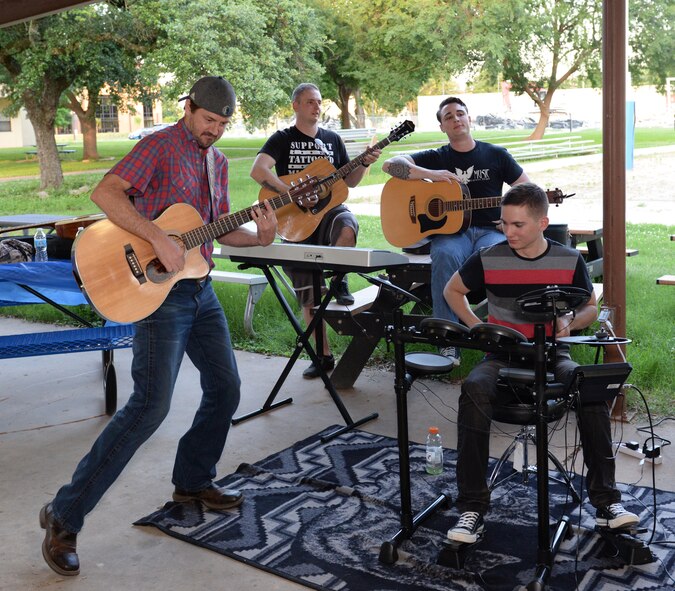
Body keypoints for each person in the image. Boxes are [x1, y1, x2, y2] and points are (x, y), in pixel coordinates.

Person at [39, 76, 277, 576]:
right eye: (208, 120)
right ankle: (63, 516)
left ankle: (193, 480)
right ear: (188, 108)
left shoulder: (215, 160)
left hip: (200, 289)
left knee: (226, 388)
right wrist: (157, 238)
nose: (214, 131)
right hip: (156, 292)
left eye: (223, 124)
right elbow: (106, 194)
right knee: (150, 407)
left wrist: (260, 234)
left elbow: (213, 227)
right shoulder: (159, 147)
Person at [443, 182, 639, 544]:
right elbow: (451, 290)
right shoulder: (490, 256)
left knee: (589, 387)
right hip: (501, 355)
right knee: (473, 387)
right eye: (504, 223)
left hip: (553, 354)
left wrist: (571, 322)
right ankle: (472, 508)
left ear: (542, 223)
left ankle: (607, 504)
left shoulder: (568, 259)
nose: (508, 231)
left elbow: (590, 307)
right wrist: (479, 328)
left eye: (518, 225)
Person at [382, 96, 529, 366]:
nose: (456, 119)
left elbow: (525, 189)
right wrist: (433, 174)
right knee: (445, 255)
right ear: (442, 127)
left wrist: (509, 219)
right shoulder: (438, 157)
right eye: (448, 117)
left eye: (460, 113)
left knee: (497, 257)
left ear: (469, 118)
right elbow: (389, 165)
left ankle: (502, 338)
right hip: (452, 233)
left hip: (489, 230)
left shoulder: (495, 154)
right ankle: (446, 340)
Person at [250, 83, 381, 379]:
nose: (317, 107)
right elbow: (259, 171)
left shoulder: (332, 139)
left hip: (327, 214)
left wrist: (364, 163)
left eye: (319, 102)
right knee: (310, 293)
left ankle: (339, 278)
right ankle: (322, 356)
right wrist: (290, 192)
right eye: (310, 102)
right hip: (293, 219)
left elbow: (350, 183)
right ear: (295, 105)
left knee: (347, 226)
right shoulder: (282, 139)